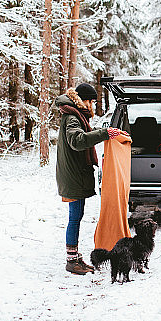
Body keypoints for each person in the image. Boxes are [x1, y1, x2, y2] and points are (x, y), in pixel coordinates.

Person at [55, 83, 125, 275]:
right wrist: (104, 133)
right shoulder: (72, 117)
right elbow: (77, 140)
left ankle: (75, 258)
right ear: (84, 100)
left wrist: (106, 133)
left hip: (75, 174)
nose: (93, 105)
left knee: (76, 216)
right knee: (75, 217)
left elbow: (84, 134)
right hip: (73, 176)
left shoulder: (75, 115)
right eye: (92, 101)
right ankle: (72, 261)